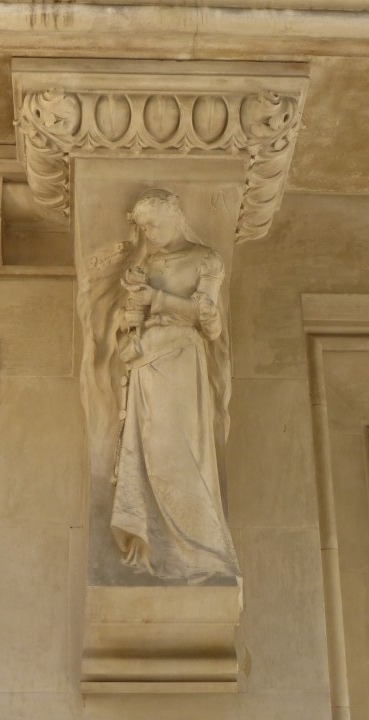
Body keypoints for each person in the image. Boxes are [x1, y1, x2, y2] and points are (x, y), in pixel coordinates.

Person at [106, 189, 241, 582]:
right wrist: (131, 312)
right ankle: (153, 542)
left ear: (175, 216)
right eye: (143, 228)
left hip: (181, 361)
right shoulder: (146, 262)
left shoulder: (206, 259)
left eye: (154, 224)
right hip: (144, 363)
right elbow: (131, 316)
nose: (149, 233)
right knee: (146, 450)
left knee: (178, 451)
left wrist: (157, 299)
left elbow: (210, 325)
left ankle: (201, 551)